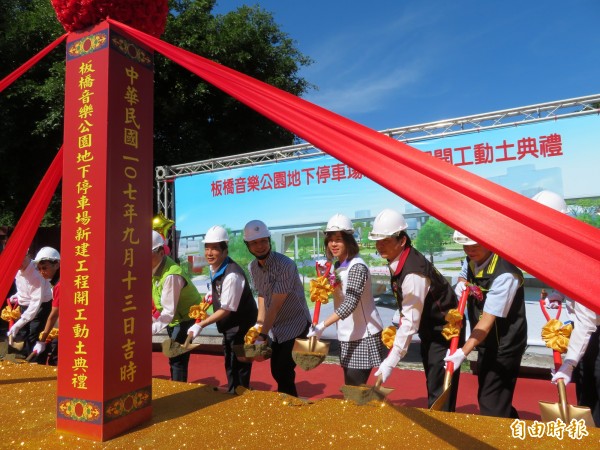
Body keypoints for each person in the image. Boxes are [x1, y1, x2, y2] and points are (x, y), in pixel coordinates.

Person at [369, 209, 461, 411]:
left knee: (440, 390)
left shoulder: (413, 272)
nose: (380, 245)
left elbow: (410, 322)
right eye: (377, 240)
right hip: (430, 329)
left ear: (402, 240)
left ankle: (442, 429)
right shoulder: (400, 260)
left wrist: (390, 361)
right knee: (433, 381)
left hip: (444, 333)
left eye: (386, 240)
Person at [532, 190, 600, 426]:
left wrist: (569, 363)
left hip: (594, 330)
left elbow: (587, 322)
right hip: (590, 331)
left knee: (595, 386)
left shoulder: (581, 253)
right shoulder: (567, 246)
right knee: (586, 385)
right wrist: (560, 294)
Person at [445, 230, 527, 418]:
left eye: (474, 246)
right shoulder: (471, 259)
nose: (469, 250)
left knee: (490, 400)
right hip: (486, 341)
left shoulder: (505, 274)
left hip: (505, 343)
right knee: (492, 395)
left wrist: (462, 352)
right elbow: (463, 275)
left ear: (489, 242)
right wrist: (462, 282)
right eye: (465, 246)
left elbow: (487, 322)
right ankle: (513, 427)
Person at [307, 214, 387, 386]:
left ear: (349, 241)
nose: (333, 244)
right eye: (330, 240)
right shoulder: (337, 266)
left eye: (339, 239)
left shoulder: (357, 267)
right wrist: (323, 277)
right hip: (347, 335)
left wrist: (322, 325)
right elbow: (335, 293)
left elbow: (350, 302)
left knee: (355, 390)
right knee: (352, 388)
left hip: (364, 336)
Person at [243, 219, 311, 397]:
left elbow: (275, 304)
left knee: (282, 369)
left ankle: (289, 408)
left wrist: (263, 335)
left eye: (263, 241)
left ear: (269, 240)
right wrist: (259, 323)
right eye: (254, 243)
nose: (260, 246)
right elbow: (262, 294)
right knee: (278, 371)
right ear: (247, 245)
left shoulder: (285, 265)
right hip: (276, 326)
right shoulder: (252, 267)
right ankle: (288, 404)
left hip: (295, 324)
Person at [187, 226, 258, 393]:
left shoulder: (232, 274)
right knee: (231, 364)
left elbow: (226, 309)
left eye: (215, 248)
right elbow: (219, 295)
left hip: (241, 327)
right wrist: (207, 301)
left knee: (239, 366)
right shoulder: (216, 268)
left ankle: (240, 399)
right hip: (230, 326)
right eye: (207, 248)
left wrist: (200, 325)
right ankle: (234, 393)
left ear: (225, 250)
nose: (209, 253)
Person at [151, 230, 202, 382]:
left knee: (177, 358)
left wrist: (146, 332)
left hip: (185, 319)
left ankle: (179, 392)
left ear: (161, 252)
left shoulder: (171, 275)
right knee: (174, 356)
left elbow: (168, 313)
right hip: (173, 319)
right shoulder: (154, 267)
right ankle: (176, 386)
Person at [6, 251, 53, 360]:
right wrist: (18, 295)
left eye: (21, 259)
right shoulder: (17, 269)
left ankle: (37, 363)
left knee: (35, 334)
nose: (18, 263)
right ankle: (25, 358)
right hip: (25, 305)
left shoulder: (37, 274)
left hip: (40, 305)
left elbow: (35, 302)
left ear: (29, 256)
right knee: (24, 333)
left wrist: (18, 324)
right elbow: (23, 287)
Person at [32, 247, 61, 365]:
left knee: (56, 360)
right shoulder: (57, 282)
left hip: (66, 330)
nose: (41, 272)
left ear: (57, 264)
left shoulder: (60, 285)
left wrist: (42, 340)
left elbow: (54, 315)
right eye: (39, 269)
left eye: (44, 268)